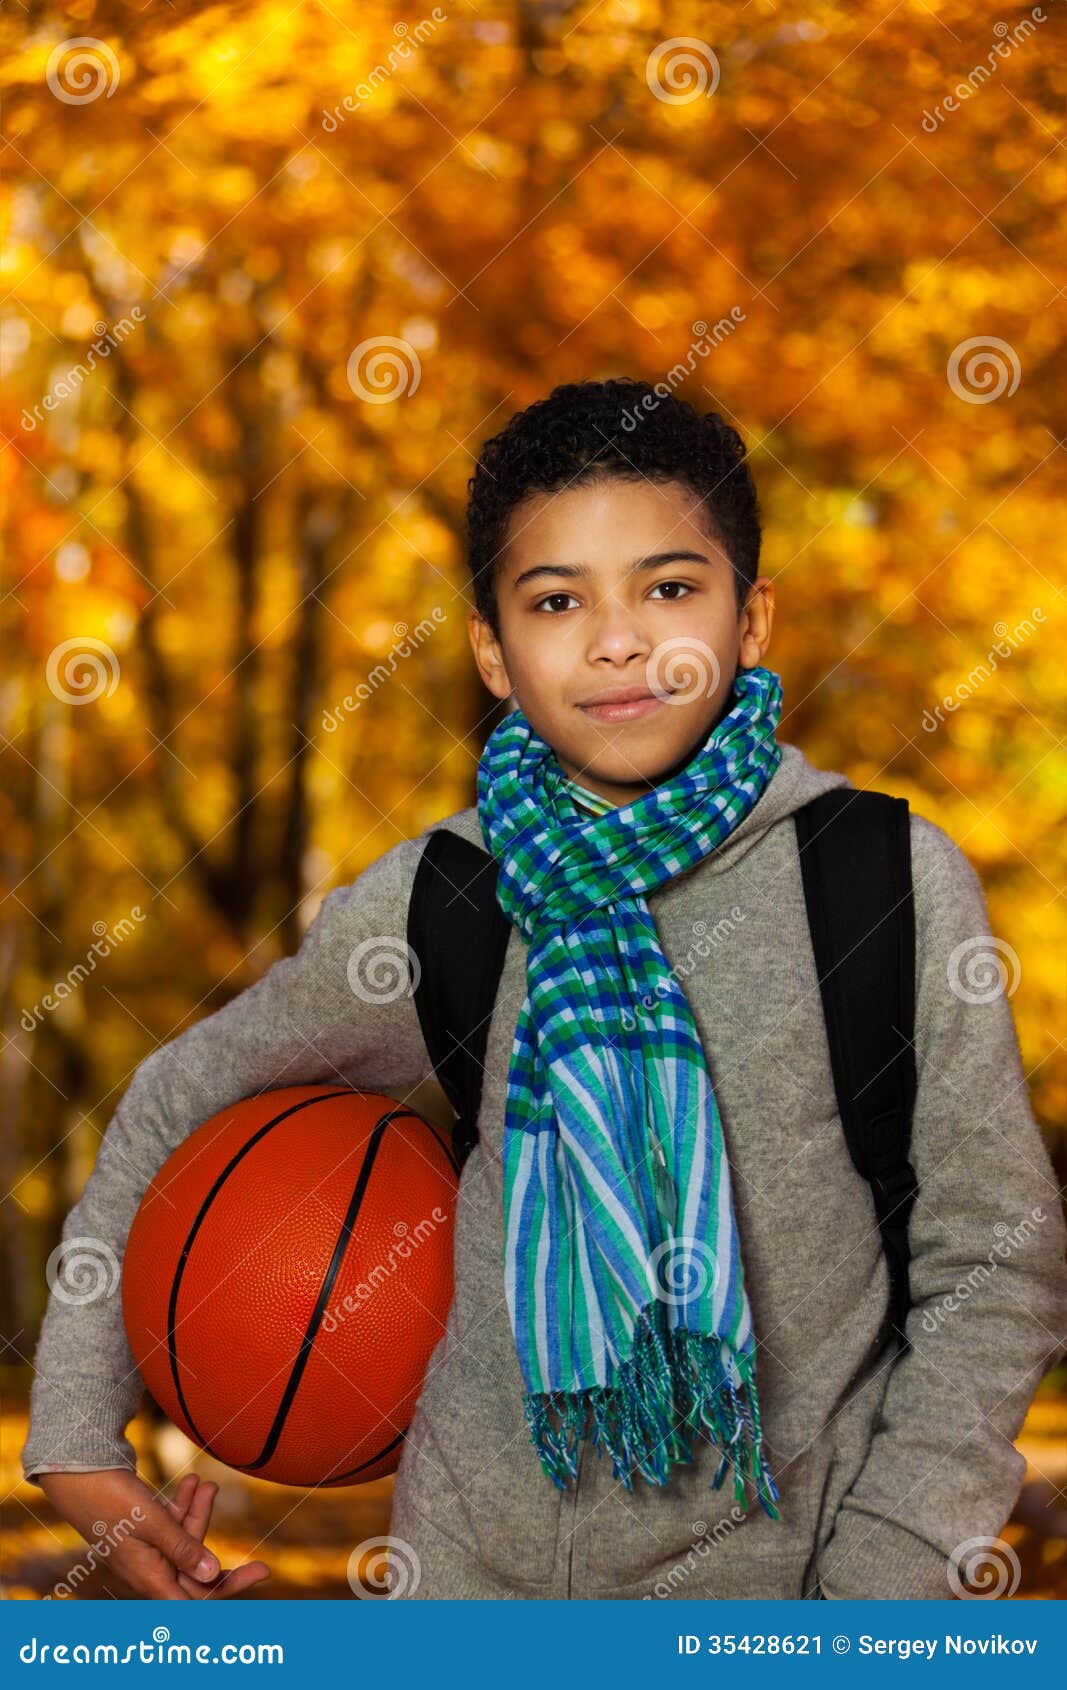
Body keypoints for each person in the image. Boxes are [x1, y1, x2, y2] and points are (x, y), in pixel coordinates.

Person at [23, 379, 1067, 1602]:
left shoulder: (878, 883)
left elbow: (994, 1261)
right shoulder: (446, 900)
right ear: (492, 651)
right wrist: (80, 1435)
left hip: (785, 1599)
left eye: (667, 587)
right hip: (467, 1596)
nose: (615, 638)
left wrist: (882, 1582)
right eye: (556, 600)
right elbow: (175, 1096)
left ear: (751, 617)